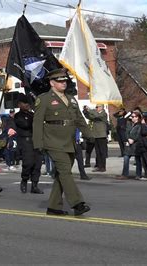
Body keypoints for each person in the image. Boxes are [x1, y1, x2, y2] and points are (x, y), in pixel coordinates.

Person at [33, 68, 91, 216]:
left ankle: (53, 206)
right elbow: (38, 122)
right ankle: (77, 203)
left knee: (61, 175)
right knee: (65, 171)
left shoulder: (71, 99)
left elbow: (79, 118)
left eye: (65, 80)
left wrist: (89, 134)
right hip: (53, 140)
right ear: (52, 83)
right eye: (60, 81)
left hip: (69, 141)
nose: (63, 83)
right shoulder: (44, 99)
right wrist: (38, 143)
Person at [15, 93, 43, 194]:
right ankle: (24, 180)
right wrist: (34, 118)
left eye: (27, 103)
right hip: (25, 141)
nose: (27, 105)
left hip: (35, 140)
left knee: (37, 163)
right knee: (28, 163)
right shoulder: (18, 116)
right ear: (19, 105)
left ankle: (34, 185)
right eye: (24, 103)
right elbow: (26, 124)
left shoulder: (31, 114)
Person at [116, 111, 142, 180]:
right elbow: (126, 132)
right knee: (126, 157)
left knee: (138, 159)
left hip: (136, 144)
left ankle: (138, 174)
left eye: (134, 117)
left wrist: (133, 139)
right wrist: (128, 139)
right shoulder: (129, 123)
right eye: (132, 116)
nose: (132, 118)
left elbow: (139, 134)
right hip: (129, 143)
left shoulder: (139, 125)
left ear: (137, 117)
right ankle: (125, 174)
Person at [83, 104, 108, 172]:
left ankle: (103, 167)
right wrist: (85, 111)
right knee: (98, 152)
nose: (96, 108)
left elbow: (97, 115)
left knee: (102, 152)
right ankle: (99, 166)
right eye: (96, 107)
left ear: (101, 108)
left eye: (97, 107)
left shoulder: (103, 114)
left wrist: (89, 109)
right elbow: (89, 117)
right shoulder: (95, 113)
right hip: (96, 135)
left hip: (102, 135)